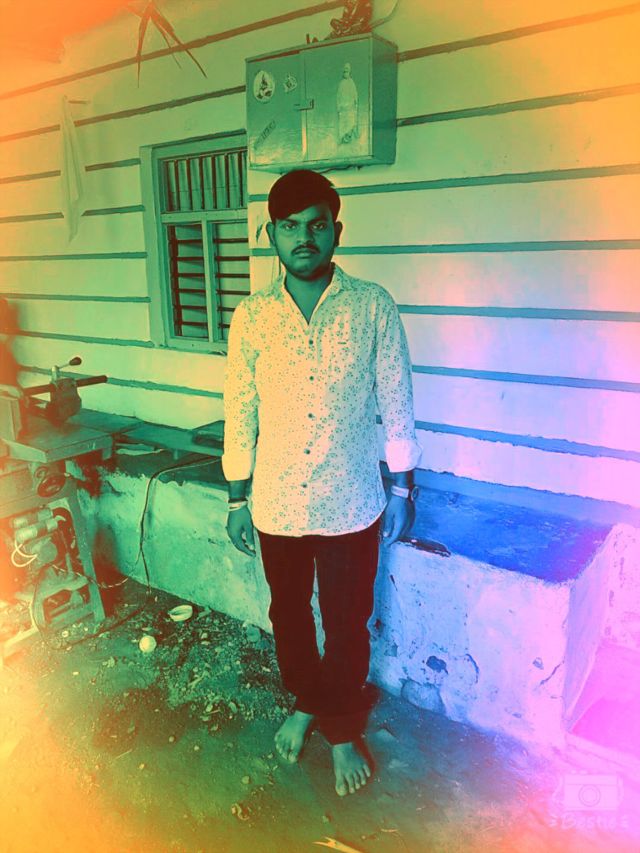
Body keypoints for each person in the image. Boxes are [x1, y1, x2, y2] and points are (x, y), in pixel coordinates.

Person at [221, 169, 422, 797]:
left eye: (315, 225)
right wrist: (236, 495)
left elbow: (396, 398)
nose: (303, 238)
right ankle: (307, 701)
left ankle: (339, 729)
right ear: (271, 236)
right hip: (276, 501)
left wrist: (403, 489)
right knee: (288, 616)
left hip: (350, 500)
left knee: (346, 620)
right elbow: (240, 409)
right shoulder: (253, 317)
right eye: (289, 227)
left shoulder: (372, 306)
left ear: (336, 231)